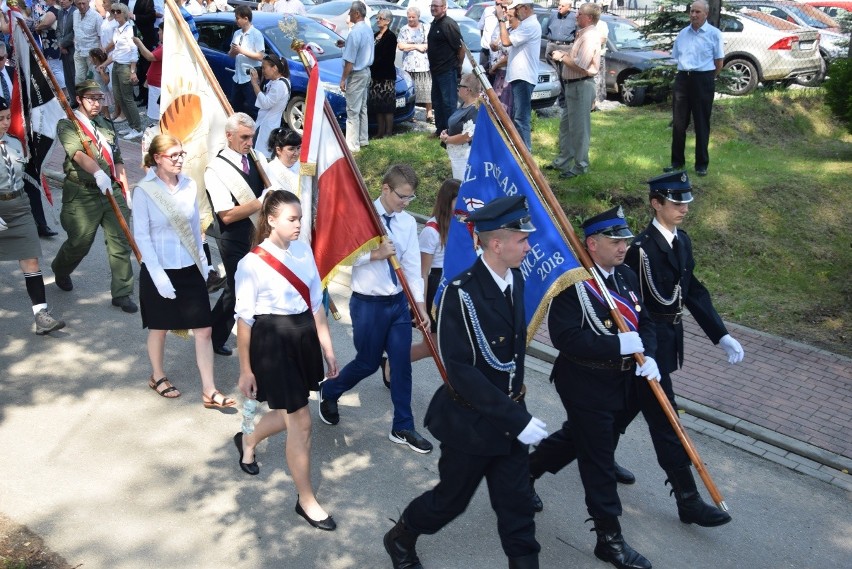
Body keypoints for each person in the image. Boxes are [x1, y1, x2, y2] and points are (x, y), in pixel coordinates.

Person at [383, 195, 546, 569]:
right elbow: (461, 371)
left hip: (508, 420)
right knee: (449, 502)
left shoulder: (515, 280)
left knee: (518, 511)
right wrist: (516, 418)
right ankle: (402, 535)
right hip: (472, 424)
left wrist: (515, 414)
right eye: (521, 240)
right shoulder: (460, 293)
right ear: (496, 243)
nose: (527, 246)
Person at [538, 205, 659, 569]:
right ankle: (609, 539)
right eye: (615, 240)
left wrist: (648, 353)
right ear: (592, 243)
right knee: (599, 459)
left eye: (625, 240)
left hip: (623, 382)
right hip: (585, 381)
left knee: (580, 439)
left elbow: (646, 321)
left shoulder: (624, 275)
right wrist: (616, 345)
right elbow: (565, 337)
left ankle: (523, 471)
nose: (623, 247)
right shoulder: (572, 283)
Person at [233, 189, 339, 530]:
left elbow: (315, 303)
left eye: (300, 219)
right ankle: (305, 500)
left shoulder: (304, 250)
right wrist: (245, 369)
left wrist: (327, 347)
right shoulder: (251, 264)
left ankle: (248, 438)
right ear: (271, 220)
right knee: (301, 422)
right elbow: (244, 320)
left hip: (303, 337)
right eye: (292, 219)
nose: (298, 225)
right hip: (273, 342)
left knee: (287, 412)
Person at [318, 164, 432, 454]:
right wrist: (374, 255)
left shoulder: (406, 223)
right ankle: (329, 391)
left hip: (397, 304)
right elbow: (339, 254)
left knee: (402, 364)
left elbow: (411, 267)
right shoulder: (362, 215)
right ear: (385, 188)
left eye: (410, 198)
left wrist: (420, 307)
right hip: (367, 304)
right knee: (367, 363)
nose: (406, 203)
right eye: (402, 197)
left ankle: (403, 426)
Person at [133, 134, 236, 408]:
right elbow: (142, 237)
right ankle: (158, 376)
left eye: (182, 154)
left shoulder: (190, 186)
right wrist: (157, 276)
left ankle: (210, 390)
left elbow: (194, 229)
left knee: (203, 330)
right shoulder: (144, 191)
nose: (180, 159)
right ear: (157, 158)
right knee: (159, 328)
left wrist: (204, 264)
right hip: (160, 271)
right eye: (173, 155)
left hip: (190, 268)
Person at [51, 80, 137, 314]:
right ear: (79, 99)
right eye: (92, 98)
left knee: (120, 242)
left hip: (111, 190)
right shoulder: (68, 124)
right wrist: (98, 173)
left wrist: (126, 189)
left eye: (100, 98)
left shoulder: (106, 124)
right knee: (80, 242)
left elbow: (117, 159)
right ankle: (61, 268)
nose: (97, 103)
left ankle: (122, 292)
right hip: (83, 191)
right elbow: (77, 153)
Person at [205, 112, 273, 357]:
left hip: (260, 233)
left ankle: (258, 338)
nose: (249, 142)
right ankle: (213, 336)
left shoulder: (255, 158)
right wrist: (260, 201)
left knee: (262, 288)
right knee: (238, 290)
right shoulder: (215, 170)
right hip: (233, 238)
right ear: (229, 136)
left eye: (252, 137)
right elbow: (226, 215)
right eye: (244, 137)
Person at [0, 97, 66, 336]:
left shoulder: (15, 143)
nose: (6, 122)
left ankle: (41, 316)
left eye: (8, 117)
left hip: (19, 208)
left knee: (31, 261)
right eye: (1, 119)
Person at [0, 44, 58, 239]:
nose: (0, 62)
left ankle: (40, 223)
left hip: (18, 135)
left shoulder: (13, 74)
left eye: (2, 57)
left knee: (30, 174)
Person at [665, 0, 723, 177]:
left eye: (697, 12)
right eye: (691, 11)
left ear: (706, 14)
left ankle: (701, 164)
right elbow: (676, 57)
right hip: (683, 79)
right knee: (679, 123)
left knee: (701, 123)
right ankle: (677, 162)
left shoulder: (714, 34)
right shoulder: (683, 34)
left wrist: (707, 79)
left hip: (703, 80)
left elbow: (719, 62)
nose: (693, 15)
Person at [548, 2, 601, 179]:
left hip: (581, 85)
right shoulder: (582, 34)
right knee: (566, 127)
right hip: (572, 86)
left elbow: (580, 65)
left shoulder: (590, 37)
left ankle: (580, 166)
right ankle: (563, 162)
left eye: (580, 14)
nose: (576, 16)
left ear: (589, 18)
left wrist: (562, 56)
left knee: (579, 129)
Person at [494, 0, 540, 152]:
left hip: (524, 77)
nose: (516, 12)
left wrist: (501, 19)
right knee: (518, 117)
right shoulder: (526, 24)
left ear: (525, 8)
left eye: (517, 9)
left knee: (521, 118)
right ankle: (520, 151)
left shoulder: (531, 25)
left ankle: (526, 154)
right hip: (519, 76)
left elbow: (506, 41)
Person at [101, 3, 143, 141]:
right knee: (119, 97)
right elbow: (116, 52)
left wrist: (132, 71)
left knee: (128, 98)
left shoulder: (129, 28)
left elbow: (134, 50)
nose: (115, 13)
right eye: (113, 11)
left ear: (124, 12)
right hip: (117, 65)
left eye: (118, 11)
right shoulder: (117, 29)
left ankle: (137, 128)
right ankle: (132, 125)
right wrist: (105, 63)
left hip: (125, 67)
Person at [339, 1, 373, 153]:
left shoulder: (354, 32)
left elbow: (350, 61)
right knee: (362, 108)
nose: (349, 15)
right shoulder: (367, 29)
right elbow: (359, 48)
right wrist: (345, 44)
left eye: (351, 12)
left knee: (352, 110)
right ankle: (363, 139)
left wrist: (343, 79)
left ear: (357, 14)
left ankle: (352, 145)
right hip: (366, 71)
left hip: (357, 73)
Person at [427, 0, 463, 137]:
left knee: (449, 104)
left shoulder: (449, 24)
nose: (434, 8)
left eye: (436, 6)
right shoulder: (435, 23)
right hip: (436, 71)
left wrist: (457, 67)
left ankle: (452, 134)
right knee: (437, 102)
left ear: (444, 7)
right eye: (432, 6)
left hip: (447, 71)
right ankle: (440, 131)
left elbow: (460, 48)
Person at [439, 72, 479, 181]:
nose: (458, 88)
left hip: (465, 160)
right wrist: (446, 131)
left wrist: (447, 139)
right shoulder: (464, 104)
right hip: (457, 158)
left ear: (468, 90)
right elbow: (459, 124)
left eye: (460, 86)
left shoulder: (474, 108)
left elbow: (467, 136)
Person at [250, 53, 291, 156]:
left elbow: (265, 103)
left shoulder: (279, 85)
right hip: (269, 122)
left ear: (274, 68)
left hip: (266, 124)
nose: (263, 71)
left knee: (259, 154)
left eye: (264, 68)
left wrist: (255, 84)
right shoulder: (281, 81)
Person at [228, 5, 265, 119]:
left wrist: (241, 51)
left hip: (250, 78)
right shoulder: (237, 34)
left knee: (252, 109)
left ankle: (254, 133)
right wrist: (233, 52)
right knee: (235, 106)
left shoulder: (256, 34)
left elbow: (260, 56)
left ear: (246, 18)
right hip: (237, 77)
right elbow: (230, 54)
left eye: (238, 18)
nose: (236, 21)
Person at [397, 7, 432, 123]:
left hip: (423, 64)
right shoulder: (404, 29)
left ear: (418, 17)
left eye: (413, 17)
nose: (411, 19)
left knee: (426, 89)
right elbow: (401, 46)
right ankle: (411, 114)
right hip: (409, 64)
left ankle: (429, 113)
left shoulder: (425, 28)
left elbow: (428, 44)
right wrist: (417, 46)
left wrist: (410, 45)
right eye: (409, 17)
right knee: (411, 91)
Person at [370, 9, 398, 140]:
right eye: (377, 18)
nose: (377, 20)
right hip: (375, 76)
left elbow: (387, 57)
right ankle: (380, 132)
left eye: (380, 18)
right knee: (378, 105)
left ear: (388, 21)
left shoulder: (391, 37)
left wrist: (373, 62)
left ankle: (388, 132)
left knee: (387, 105)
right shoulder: (375, 35)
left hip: (386, 75)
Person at [545, 0, 576, 108]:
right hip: (552, 45)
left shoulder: (574, 17)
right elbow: (546, 30)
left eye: (563, 6)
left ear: (569, 7)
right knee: (552, 74)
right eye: (559, 5)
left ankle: (563, 101)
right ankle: (549, 99)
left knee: (564, 75)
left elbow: (577, 34)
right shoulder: (553, 15)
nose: (559, 7)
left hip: (566, 47)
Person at [132, 21, 164, 124]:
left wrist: (139, 43)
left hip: (158, 85)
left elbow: (150, 57)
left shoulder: (166, 47)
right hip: (154, 84)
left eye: (160, 31)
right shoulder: (162, 46)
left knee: (158, 115)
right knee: (155, 114)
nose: (158, 33)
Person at [72, 0, 101, 88]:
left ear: (88, 1)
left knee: (94, 80)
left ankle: (96, 101)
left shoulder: (96, 16)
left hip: (92, 54)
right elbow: (75, 31)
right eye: (78, 4)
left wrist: (97, 56)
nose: (81, 6)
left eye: (83, 3)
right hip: (78, 51)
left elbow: (101, 37)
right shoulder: (75, 14)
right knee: (79, 79)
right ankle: (81, 100)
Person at [265, 127, 300, 193]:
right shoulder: (270, 170)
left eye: (298, 148)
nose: (297, 153)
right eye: (291, 149)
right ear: (278, 150)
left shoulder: (302, 166)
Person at [57, 0, 77, 102]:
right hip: (63, 50)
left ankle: (79, 100)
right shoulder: (60, 12)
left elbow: (75, 31)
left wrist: (62, 44)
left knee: (75, 76)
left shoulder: (75, 12)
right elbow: (58, 30)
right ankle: (73, 100)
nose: (61, 1)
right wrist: (61, 44)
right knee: (68, 77)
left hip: (73, 48)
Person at [594, 12, 609, 109]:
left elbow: (603, 39)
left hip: (599, 55)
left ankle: (594, 102)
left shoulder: (602, 24)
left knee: (597, 79)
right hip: (589, 54)